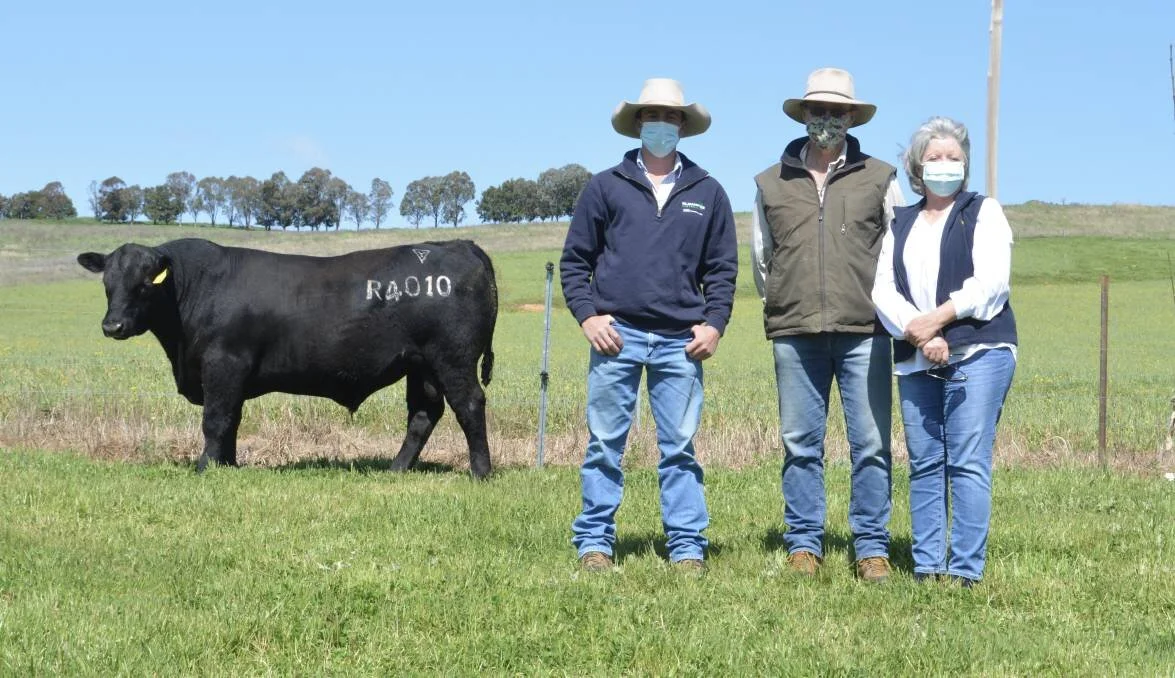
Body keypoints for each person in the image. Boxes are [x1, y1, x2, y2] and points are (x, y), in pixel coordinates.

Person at [560, 78, 738, 573]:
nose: (662, 125)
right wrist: (588, 316)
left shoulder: (708, 191)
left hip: (682, 342)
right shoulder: (605, 186)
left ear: (683, 126)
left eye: (671, 117)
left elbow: (722, 268)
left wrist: (714, 324)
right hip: (616, 335)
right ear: (639, 124)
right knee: (604, 444)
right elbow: (576, 261)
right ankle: (594, 542)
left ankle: (686, 548)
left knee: (680, 448)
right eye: (652, 116)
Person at [751, 67, 904, 582]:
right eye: (819, 111)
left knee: (872, 446)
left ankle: (871, 548)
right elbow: (761, 259)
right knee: (800, 445)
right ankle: (803, 545)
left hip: (866, 331)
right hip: (795, 332)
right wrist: (787, 301)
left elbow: (897, 253)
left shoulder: (881, 177)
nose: (828, 120)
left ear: (851, 117)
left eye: (837, 111)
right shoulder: (771, 182)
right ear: (805, 115)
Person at [872, 116, 1017, 587]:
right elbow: (883, 287)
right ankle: (928, 566)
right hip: (917, 355)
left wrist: (939, 320)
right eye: (934, 156)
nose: (944, 164)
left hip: (979, 352)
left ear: (965, 164)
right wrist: (920, 333)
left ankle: (965, 570)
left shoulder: (983, 211)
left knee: (967, 461)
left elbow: (991, 283)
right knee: (926, 462)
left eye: (953, 157)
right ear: (917, 165)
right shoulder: (902, 222)